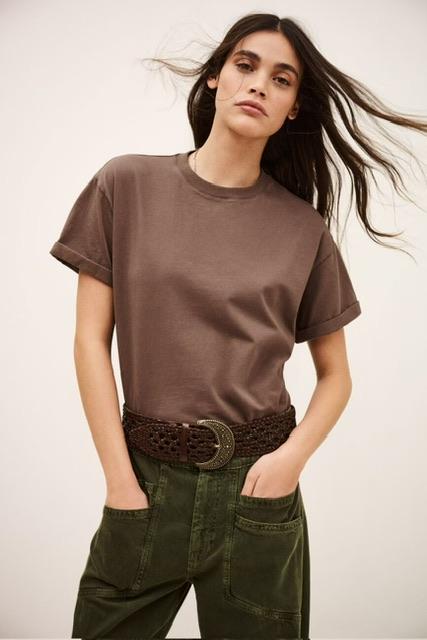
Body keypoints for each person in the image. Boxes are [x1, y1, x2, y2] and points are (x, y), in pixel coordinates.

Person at [49, 13, 426, 640]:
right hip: (143, 483)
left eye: (281, 79)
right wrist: (119, 481)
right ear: (215, 78)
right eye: (246, 66)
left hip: (258, 493)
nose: (258, 85)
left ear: (293, 107)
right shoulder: (125, 184)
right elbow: (90, 341)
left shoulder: (303, 229)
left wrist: (288, 463)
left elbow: (336, 376)